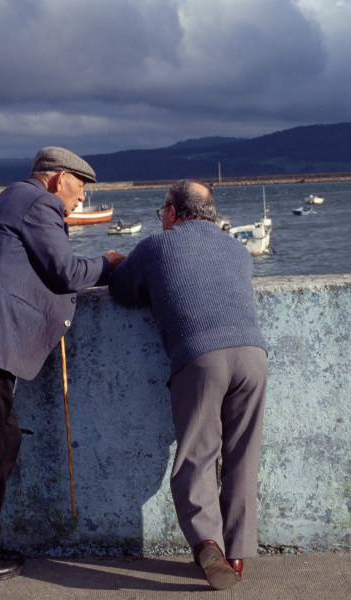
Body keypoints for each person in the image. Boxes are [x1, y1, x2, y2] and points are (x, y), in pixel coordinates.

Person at [0, 147, 126, 587]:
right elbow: (64, 271)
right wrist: (109, 264)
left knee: (3, 438)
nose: (82, 198)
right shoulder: (40, 202)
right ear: (59, 179)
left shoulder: (15, 198)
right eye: (81, 186)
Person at [108, 180, 267, 590]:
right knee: (243, 455)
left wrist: (119, 265)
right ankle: (237, 555)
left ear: (174, 213)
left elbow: (122, 291)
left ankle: (207, 543)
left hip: (201, 357)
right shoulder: (236, 248)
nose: (160, 216)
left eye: (162, 208)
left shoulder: (156, 247)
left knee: (196, 455)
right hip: (253, 355)